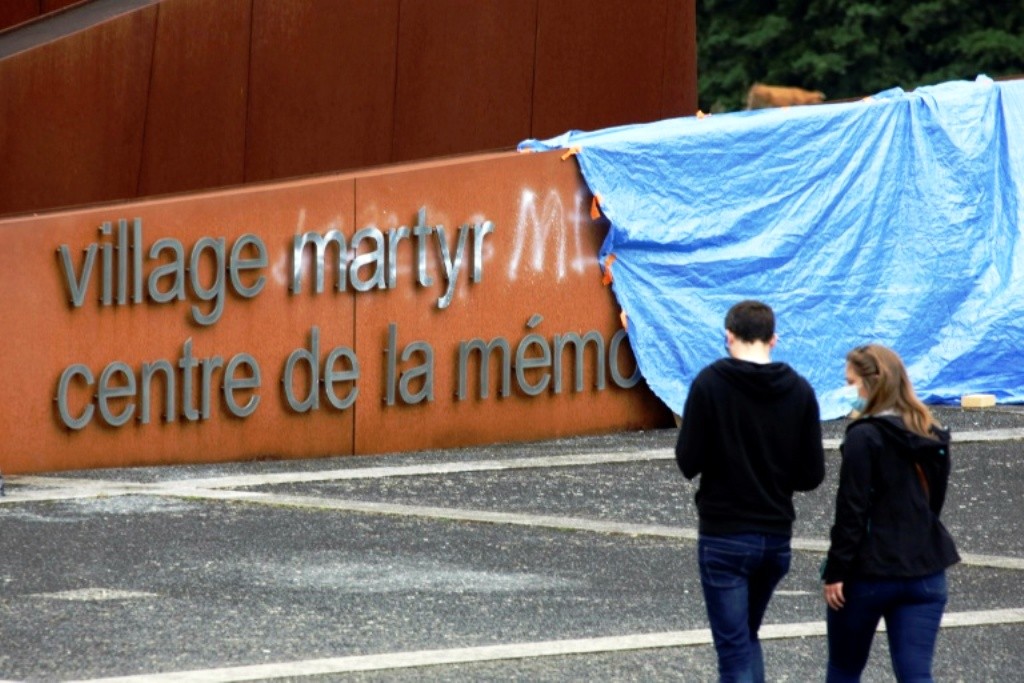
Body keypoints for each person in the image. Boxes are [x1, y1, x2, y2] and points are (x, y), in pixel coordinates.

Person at [676, 300, 826, 682]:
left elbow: (687, 461)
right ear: (774, 339)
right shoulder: (801, 391)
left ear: (728, 336)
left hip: (724, 535)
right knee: (746, 637)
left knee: (733, 650)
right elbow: (811, 475)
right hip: (775, 537)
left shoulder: (710, 384)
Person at [823, 344, 960, 682]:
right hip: (926, 568)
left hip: (869, 570)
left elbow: (852, 510)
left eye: (851, 382)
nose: (848, 390)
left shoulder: (863, 436)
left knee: (844, 669)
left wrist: (837, 570)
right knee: (916, 673)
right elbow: (933, 503)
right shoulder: (932, 433)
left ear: (871, 385)